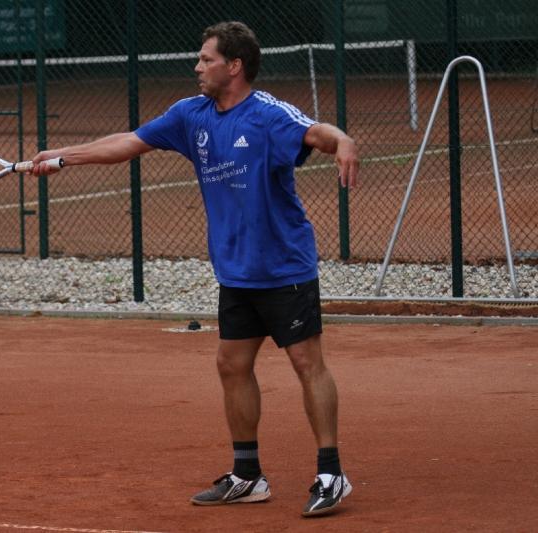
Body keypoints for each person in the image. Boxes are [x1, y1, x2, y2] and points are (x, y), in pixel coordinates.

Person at [29, 21, 359, 517]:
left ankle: (331, 473)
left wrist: (344, 141)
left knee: (306, 362)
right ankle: (248, 476)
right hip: (235, 272)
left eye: (207, 59)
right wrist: (63, 156)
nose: (197, 66)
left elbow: (315, 131)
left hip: (284, 266)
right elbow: (130, 141)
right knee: (231, 364)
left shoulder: (266, 115)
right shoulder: (191, 115)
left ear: (235, 66)